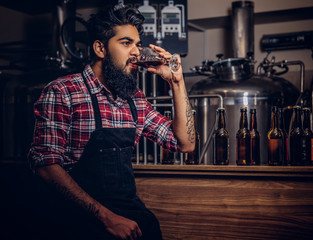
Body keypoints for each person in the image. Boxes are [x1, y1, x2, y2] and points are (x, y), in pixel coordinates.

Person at [28, 4, 195, 240]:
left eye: (137, 44)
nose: (136, 52)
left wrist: (177, 82)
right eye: (126, 43)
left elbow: (185, 144)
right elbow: (46, 166)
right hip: (74, 222)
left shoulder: (134, 99)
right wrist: (108, 219)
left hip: (128, 217)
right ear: (100, 48)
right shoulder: (63, 91)